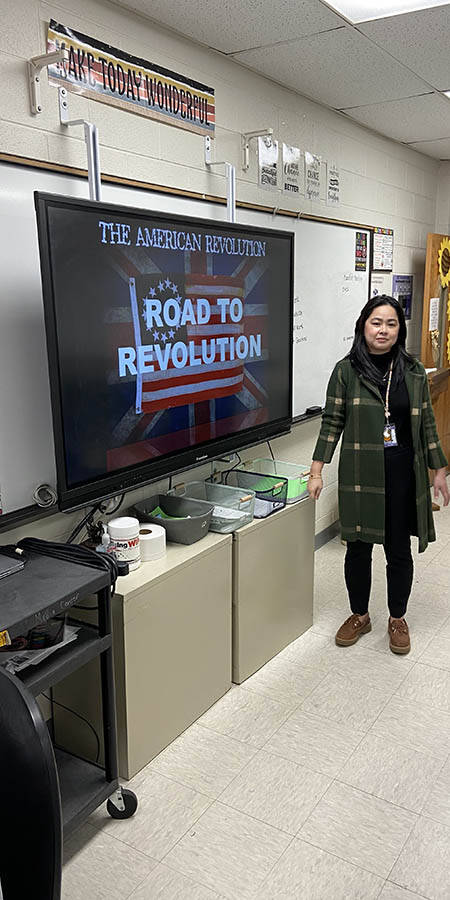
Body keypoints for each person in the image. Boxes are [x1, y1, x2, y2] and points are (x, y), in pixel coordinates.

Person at [308, 295, 449, 655]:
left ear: (399, 330)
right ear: (363, 326)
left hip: (404, 472)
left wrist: (438, 470)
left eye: (391, 323)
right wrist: (316, 470)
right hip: (360, 471)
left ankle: (397, 618)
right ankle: (360, 615)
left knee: (398, 551)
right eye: (376, 322)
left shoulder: (413, 370)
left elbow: (427, 424)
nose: (383, 330)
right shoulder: (347, 370)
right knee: (357, 549)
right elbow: (332, 421)